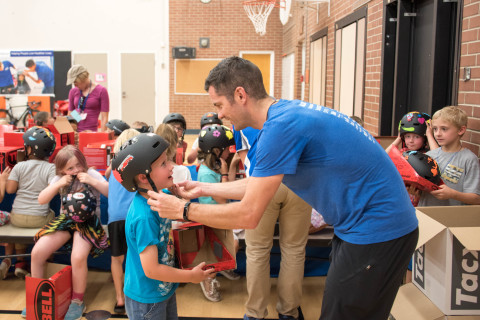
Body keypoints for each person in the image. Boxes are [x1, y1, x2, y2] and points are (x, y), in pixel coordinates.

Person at [147, 56, 419, 320]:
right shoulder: (284, 115)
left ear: (241, 95)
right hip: (364, 227)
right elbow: (256, 186)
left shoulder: (279, 129)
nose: (219, 115)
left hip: (378, 231)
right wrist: (204, 189)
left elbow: (248, 215)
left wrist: (183, 210)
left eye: (219, 105)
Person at [111, 133, 215, 320]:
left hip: (163, 289)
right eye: (163, 164)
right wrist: (191, 277)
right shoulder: (144, 217)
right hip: (147, 300)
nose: (171, 166)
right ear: (144, 177)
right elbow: (151, 270)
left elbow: (182, 216)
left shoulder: (162, 196)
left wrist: (181, 197)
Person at [232, 125, 311, 319]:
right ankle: (289, 311)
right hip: (299, 184)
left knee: (257, 250)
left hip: (263, 184)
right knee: (294, 249)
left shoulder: (240, 122)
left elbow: (249, 165)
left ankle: (255, 313)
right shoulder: (288, 114)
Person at [22, 145, 109, 319]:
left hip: (88, 222)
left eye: (79, 165)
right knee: (37, 252)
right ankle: (36, 297)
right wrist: (58, 184)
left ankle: (77, 301)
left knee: (77, 256)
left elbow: (110, 192)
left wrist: (93, 182)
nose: (76, 170)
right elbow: (41, 199)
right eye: (70, 168)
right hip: (66, 221)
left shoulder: (91, 174)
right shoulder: (58, 178)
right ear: (61, 169)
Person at [3, 127, 56, 280]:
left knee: (18, 224)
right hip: (39, 218)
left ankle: (20, 263)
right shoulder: (51, 168)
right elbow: (52, 190)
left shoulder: (19, 167)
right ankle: (47, 260)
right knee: (53, 218)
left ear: (31, 149)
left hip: (17, 218)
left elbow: (10, 190)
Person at [195, 124, 240, 302]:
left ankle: (224, 266)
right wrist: (223, 174)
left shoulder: (215, 167)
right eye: (227, 149)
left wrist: (233, 164)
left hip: (222, 215)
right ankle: (208, 278)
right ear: (215, 150)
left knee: (244, 235)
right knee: (230, 245)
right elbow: (222, 197)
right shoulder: (206, 172)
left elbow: (230, 186)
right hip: (211, 217)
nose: (229, 152)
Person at [105, 129, 140, 314]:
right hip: (135, 215)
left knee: (116, 259)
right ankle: (137, 296)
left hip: (115, 217)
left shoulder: (111, 168)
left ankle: (120, 300)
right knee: (138, 257)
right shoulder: (139, 165)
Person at [417, 106, 480, 206]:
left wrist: (452, 194)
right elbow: (420, 190)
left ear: (461, 130)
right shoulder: (429, 155)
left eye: (444, 129)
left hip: (450, 218)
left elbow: (476, 198)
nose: (437, 134)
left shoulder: (469, 159)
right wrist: (414, 190)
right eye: (435, 129)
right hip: (425, 216)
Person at [66, 65, 110, 132]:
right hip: (75, 132)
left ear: (82, 79)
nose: (75, 85)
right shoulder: (73, 91)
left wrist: (103, 135)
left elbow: (104, 117)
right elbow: (70, 114)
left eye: (76, 83)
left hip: (92, 132)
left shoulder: (101, 91)